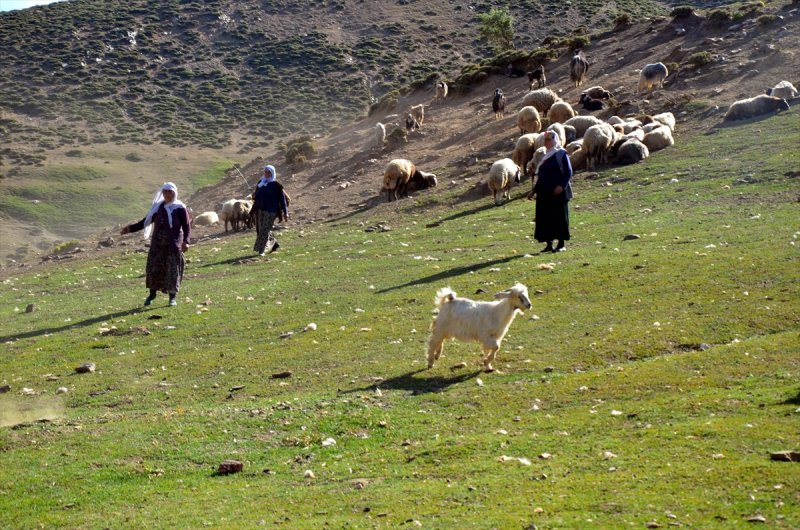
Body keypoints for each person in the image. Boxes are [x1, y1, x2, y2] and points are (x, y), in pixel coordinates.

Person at [120, 182, 190, 306]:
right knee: (154, 269)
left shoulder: (180, 208)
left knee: (173, 270)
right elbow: (144, 222)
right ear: (162, 193)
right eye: (165, 192)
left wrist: (186, 241)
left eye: (170, 192)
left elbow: (186, 226)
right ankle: (152, 295)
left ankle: (172, 297)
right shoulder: (158, 208)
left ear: (174, 193)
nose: (168, 194)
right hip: (157, 245)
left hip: (173, 245)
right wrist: (130, 229)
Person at [527, 131, 573, 252]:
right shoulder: (545, 156)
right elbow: (542, 176)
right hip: (544, 193)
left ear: (554, 140)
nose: (545, 142)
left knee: (559, 217)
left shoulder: (561, 154)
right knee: (545, 218)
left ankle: (561, 244)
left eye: (548, 140)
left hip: (557, 193)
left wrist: (561, 186)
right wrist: (534, 191)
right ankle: (549, 244)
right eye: (545, 140)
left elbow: (568, 172)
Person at [252, 164, 288, 256]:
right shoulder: (260, 183)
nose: (267, 174)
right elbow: (256, 196)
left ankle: (262, 250)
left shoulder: (276, 185)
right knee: (261, 229)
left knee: (265, 229)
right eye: (265, 172)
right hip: (260, 209)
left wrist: (285, 212)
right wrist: (254, 196)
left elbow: (282, 199)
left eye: (269, 172)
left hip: (271, 211)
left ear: (272, 173)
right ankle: (274, 244)